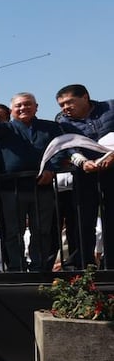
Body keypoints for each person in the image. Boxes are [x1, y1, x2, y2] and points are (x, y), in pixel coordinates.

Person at [0, 92, 66, 272]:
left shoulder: (50, 127)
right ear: (11, 110)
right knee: (13, 231)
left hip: (41, 186)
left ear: (36, 107)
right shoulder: (4, 129)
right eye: (18, 105)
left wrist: (51, 168)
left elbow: (61, 150)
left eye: (27, 104)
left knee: (42, 230)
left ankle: (39, 266)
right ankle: (16, 266)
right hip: (11, 188)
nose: (23, 108)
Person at [55, 84, 114, 268]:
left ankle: (110, 265)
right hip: (85, 176)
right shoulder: (62, 121)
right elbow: (67, 147)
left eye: (69, 102)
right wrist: (82, 162)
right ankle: (85, 268)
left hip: (112, 171)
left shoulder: (110, 107)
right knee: (84, 221)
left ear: (85, 97)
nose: (65, 107)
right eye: (61, 105)